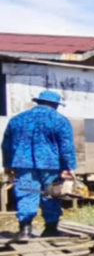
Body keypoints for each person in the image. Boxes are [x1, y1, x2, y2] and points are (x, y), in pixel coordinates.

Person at [1, 90, 77, 239]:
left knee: (26, 192)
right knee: (51, 194)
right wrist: (69, 166)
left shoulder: (17, 119)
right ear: (55, 104)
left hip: (23, 164)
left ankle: (25, 230)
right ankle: (50, 228)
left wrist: (7, 165)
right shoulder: (60, 120)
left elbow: (6, 145)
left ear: (38, 102)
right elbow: (66, 146)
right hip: (51, 165)